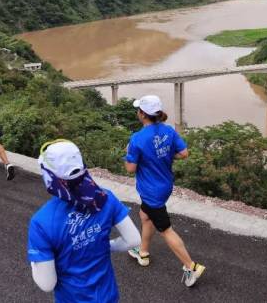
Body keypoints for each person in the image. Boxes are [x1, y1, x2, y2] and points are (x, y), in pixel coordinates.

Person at [28, 139, 141, 303]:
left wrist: (34, 265)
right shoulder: (105, 197)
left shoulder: (41, 222)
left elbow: (47, 284)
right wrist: (107, 245)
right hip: (108, 296)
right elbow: (133, 240)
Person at [124, 95, 206, 287]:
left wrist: (126, 152)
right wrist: (164, 156)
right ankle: (142, 252)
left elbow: (130, 168)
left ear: (143, 114)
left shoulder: (137, 139)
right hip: (165, 184)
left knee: (166, 230)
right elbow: (184, 153)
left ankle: (191, 267)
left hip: (151, 191)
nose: (138, 112)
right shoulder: (168, 130)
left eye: (139, 110)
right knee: (145, 215)